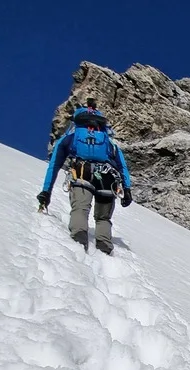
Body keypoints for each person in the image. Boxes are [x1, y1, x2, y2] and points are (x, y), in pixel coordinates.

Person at [36, 98, 133, 254]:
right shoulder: (108, 139)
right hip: (108, 179)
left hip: (82, 173)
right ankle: (104, 248)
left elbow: (54, 165)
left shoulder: (71, 136)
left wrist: (46, 191)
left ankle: (79, 243)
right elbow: (122, 165)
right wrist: (127, 189)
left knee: (80, 209)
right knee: (103, 218)